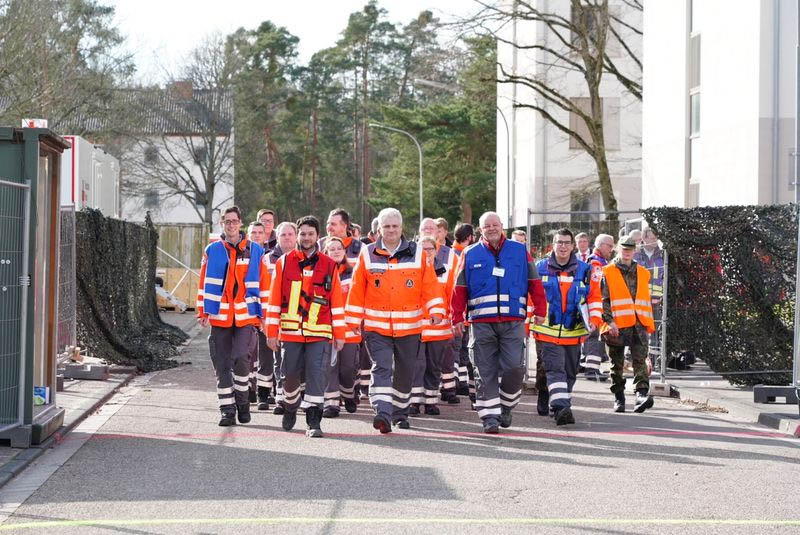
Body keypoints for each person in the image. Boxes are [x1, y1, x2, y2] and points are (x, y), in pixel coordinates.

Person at [345, 207, 444, 433]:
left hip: (410, 327)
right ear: (379, 229)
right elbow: (357, 287)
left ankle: (400, 412)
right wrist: (352, 320)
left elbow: (429, 284)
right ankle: (382, 412)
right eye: (386, 226)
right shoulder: (367, 253)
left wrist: (436, 310)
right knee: (381, 367)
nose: (391, 230)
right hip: (376, 328)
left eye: (395, 226)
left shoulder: (418, 253)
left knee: (405, 370)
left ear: (402, 228)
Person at [451, 211, 546, 434]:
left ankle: (505, 404)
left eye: (495, 224)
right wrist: (456, 317)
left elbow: (534, 281)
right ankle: (489, 418)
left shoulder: (519, 250)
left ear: (502, 226)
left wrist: (541, 309)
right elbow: (459, 289)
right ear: (480, 230)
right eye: (487, 226)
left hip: (513, 322)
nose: (492, 228)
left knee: (514, 368)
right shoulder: (470, 253)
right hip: (481, 323)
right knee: (485, 371)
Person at [266, 216, 346, 438]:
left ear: (317, 236)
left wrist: (340, 334)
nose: (307, 238)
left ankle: (314, 421)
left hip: (319, 332)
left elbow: (337, 303)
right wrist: (271, 332)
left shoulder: (329, 264)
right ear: (298, 236)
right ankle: (290, 406)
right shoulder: (283, 262)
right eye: (303, 234)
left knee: (316, 375)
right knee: (288, 375)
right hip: (291, 333)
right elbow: (273, 300)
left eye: (311, 234)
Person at [197, 206, 270, 426]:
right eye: (226, 221)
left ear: (240, 223)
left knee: (240, 359)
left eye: (234, 221)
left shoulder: (255, 251)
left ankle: (243, 402)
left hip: (246, 316)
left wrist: (265, 316)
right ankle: (227, 410)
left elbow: (265, 285)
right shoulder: (212, 250)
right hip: (220, 316)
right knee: (221, 365)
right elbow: (203, 283)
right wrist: (202, 311)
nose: (230, 224)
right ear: (222, 224)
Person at [531, 228, 602, 426]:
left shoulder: (585, 270)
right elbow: (531, 298)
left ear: (573, 246)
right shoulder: (540, 267)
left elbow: (594, 298)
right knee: (555, 370)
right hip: (547, 332)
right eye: (559, 242)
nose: (562, 246)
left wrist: (595, 320)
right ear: (552, 245)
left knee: (570, 373)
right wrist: (526, 323)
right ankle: (562, 407)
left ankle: (557, 400)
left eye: (566, 243)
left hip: (574, 332)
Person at [601, 236, 656, 413]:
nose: (627, 251)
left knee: (640, 360)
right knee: (616, 366)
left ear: (635, 251)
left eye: (630, 249)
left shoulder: (642, 272)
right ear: (618, 248)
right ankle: (619, 397)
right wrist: (609, 322)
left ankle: (641, 395)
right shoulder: (607, 271)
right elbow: (603, 300)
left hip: (638, 324)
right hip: (616, 325)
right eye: (624, 248)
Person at [410, 227, 458, 415]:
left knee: (433, 366)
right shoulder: (413, 270)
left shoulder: (444, 270)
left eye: (430, 248)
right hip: (417, 326)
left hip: (439, 328)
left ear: (436, 250)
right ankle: (414, 402)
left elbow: (450, 296)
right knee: (417, 365)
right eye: (422, 248)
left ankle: (430, 401)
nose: (426, 252)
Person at [321, 237, 361, 418]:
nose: (336, 251)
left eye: (339, 248)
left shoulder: (353, 273)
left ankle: (348, 394)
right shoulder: (321, 274)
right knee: (329, 367)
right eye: (332, 249)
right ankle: (331, 404)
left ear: (344, 252)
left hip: (349, 330)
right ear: (325, 253)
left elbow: (360, 300)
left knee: (347, 368)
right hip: (326, 329)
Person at [267, 222, 298, 415]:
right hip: (276, 316)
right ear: (277, 238)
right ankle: (280, 398)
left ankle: (296, 396)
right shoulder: (267, 260)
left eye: (290, 234)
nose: (287, 237)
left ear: (295, 237)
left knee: (295, 362)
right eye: (283, 235)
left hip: (299, 320)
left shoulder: (304, 259)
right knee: (279, 360)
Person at [246, 221, 275, 410]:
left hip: (266, 310)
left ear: (266, 236)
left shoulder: (270, 258)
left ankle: (264, 391)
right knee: (247, 351)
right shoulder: (242, 255)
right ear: (248, 235)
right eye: (253, 232)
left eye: (260, 232)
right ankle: (248, 387)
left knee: (266, 353)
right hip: (247, 311)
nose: (257, 235)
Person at [581, 233, 615, 381]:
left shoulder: (599, 261)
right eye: (610, 246)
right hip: (596, 305)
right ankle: (592, 370)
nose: (612, 249)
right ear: (601, 245)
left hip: (596, 304)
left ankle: (589, 366)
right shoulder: (596, 263)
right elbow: (597, 287)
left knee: (594, 336)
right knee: (595, 337)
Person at [450, 223, 476, 402]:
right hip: (466, 313)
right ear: (469, 237)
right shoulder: (467, 255)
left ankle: (458, 382)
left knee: (458, 350)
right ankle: (461, 384)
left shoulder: (450, 253)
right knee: (462, 350)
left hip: (457, 312)